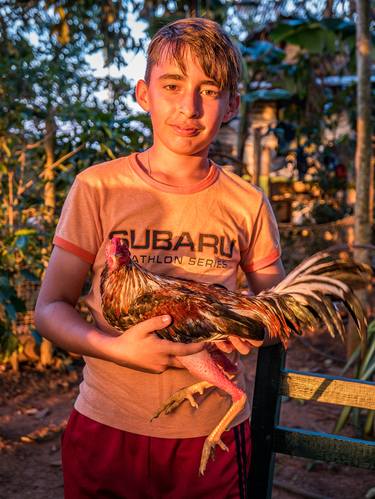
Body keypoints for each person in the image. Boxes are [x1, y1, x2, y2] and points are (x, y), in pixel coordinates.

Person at [35, 17, 285, 499]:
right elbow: (49, 309)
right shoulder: (99, 187)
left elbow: (274, 310)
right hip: (107, 425)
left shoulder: (246, 202)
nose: (188, 107)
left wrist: (250, 327)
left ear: (231, 105)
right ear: (144, 94)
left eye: (209, 91)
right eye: (172, 85)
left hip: (209, 435)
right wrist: (115, 348)